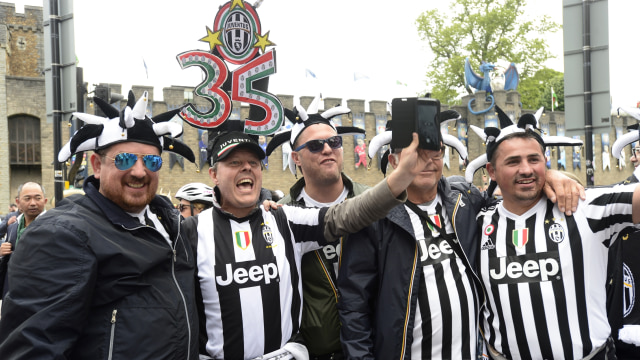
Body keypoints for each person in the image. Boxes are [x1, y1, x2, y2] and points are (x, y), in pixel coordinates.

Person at [337, 108, 585, 360]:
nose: (426, 161)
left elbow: (515, 198)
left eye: (435, 152)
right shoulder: (372, 218)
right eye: (415, 154)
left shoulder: (465, 200)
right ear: (393, 162)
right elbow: (354, 306)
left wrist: (551, 176)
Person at [183, 119, 428, 360]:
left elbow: (345, 215)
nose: (246, 168)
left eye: (253, 162)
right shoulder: (191, 232)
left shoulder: (282, 218)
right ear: (214, 174)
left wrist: (401, 177)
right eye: (234, 162)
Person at [0, 91, 200, 359]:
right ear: (96, 165)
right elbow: (32, 348)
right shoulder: (62, 233)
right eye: (125, 159)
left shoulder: (171, 224)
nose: (139, 171)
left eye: (151, 161)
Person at [475, 119, 640, 359]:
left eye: (534, 159)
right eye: (513, 162)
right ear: (491, 171)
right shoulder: (474, 223)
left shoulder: (584, 205)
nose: (526, 169)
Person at [266, 98, 368, 359]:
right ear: (296, 157)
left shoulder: (370, 203)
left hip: (371, 346)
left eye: (334, 142)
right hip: (314, 352)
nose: (327, 149)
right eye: (315, 145)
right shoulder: (280, 215)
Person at [0, 182, 47, 299]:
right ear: (18, 202)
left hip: (39, 295)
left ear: (45, 201)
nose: (33, 203)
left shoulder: (54, 227)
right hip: (12, 294)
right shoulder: (12, 227)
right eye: (27, 198)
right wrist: (1, 254)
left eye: (37, 198)